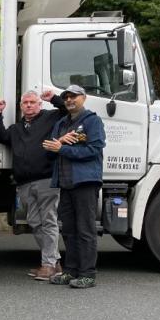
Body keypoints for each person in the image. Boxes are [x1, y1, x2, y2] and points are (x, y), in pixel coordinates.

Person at [0, 89, 68, 281]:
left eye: (32, 102)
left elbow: (68, 111)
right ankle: (54, 261)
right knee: (34, 221)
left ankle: (49, 265)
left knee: (48, 221)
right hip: (24, 183)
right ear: (21, 107)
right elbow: (2, 136)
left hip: (46, 180)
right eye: (25, 103)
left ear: (39, 104)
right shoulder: (17, 129)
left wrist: (54, 99)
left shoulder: (50, 118)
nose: (29, 105)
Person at [43, 85, 106, 289]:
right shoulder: (61, 123)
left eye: (74, 97)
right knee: (69, 230)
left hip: (85, 182)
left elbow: (94, 149)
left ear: (84, 98)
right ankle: (70, 271)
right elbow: (50, 152)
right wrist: (59, 143)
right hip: (65, 182)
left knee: (85, 230)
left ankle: (88, 274)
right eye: (67, 97)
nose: (70, 100)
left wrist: (63, 149)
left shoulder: (92, 121)